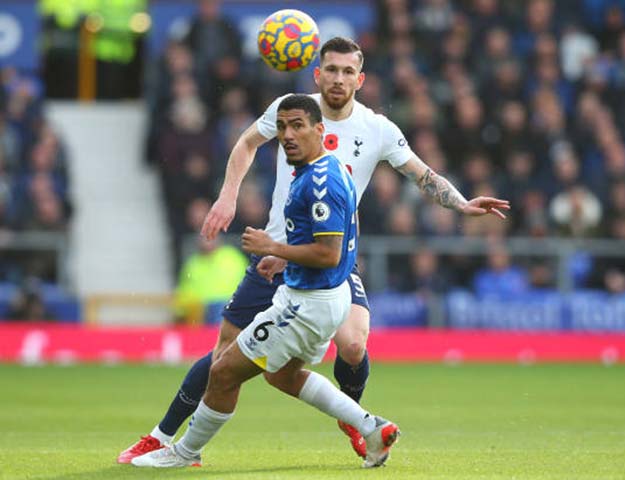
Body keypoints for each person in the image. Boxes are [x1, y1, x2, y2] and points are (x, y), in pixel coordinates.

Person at [118, 37, 509, 464]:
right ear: (316, 74)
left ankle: (356, 422)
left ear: (360, 80)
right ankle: (161, 436)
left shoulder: (376, 129)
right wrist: (228, 196)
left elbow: (422, 174)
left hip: (328, 259)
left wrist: (462, 203)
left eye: (347, 71)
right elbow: (247, 142)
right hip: (273, 258)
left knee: (354, 345)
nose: (338, 78)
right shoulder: (294, 110)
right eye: (331, 70)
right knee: (223, 358)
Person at [132, 94, 400, 468]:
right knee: (282, 376)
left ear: (320, 130)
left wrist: (272, 246)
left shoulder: (319, 183)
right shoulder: (322, 170)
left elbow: (329, 254)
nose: (287, 135)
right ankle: (372, 427)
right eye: (282, 128)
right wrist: (281, 256)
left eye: (297, 127)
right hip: (318, 295)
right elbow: (318, 243)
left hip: (306, 304)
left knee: (224, 370)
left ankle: (184, 452)